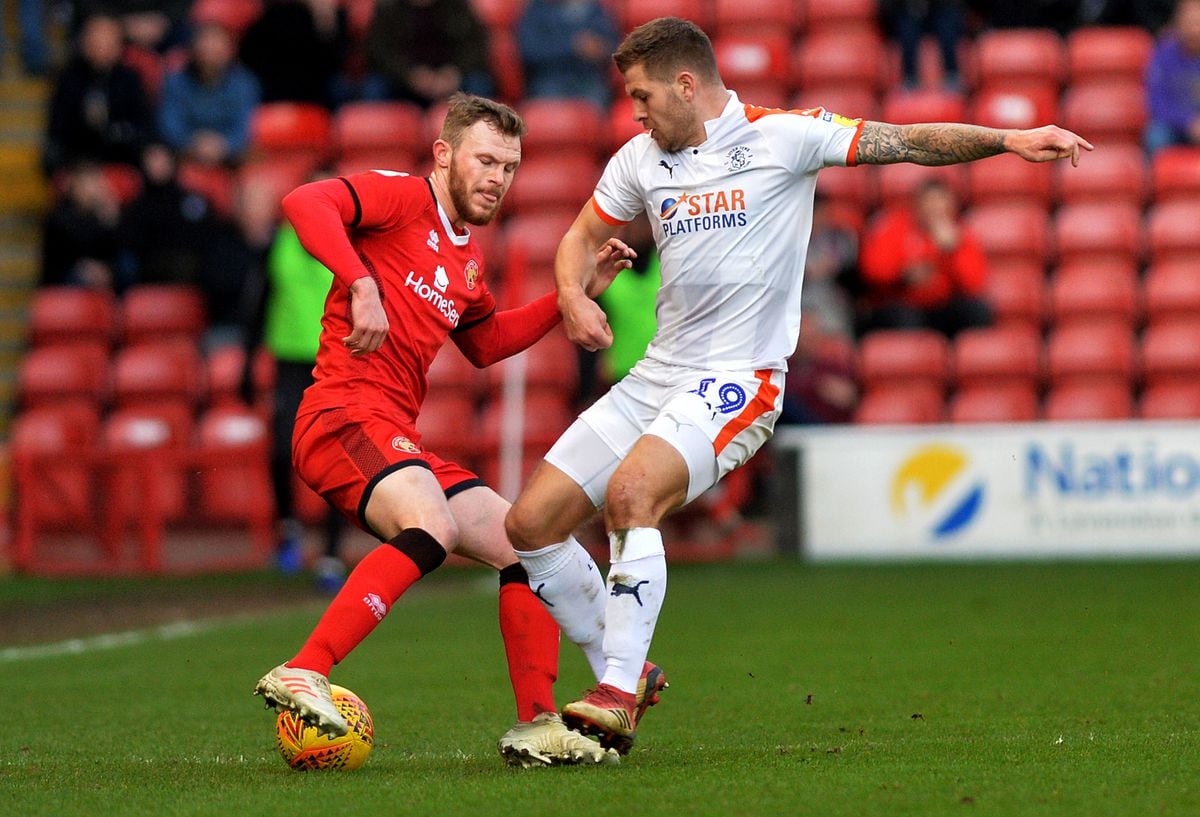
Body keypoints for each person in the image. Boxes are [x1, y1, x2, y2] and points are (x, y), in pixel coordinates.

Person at [503, 16, 1092, 755]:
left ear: (688, 84)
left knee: (630, 495)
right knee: (528, 526)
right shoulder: (640, 158)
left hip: (737, 380)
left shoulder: (785, 137)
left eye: (643, 95)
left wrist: (1007, 139)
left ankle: (615, 694)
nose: (636, 111)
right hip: (656, 375)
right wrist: (571, 295)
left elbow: (905, 139)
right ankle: (627, 668)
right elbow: (578, 238)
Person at [252, 93, 661, 768]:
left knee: (526, 540)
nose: (498, 177)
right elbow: (305, 202)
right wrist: (359, 281)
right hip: (341, 414)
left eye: (510, 165)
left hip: (391, 429)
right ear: (444, 155)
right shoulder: (401, 198)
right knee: (433, 527)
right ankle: (305, 667)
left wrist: (571, 296)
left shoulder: (466, 258)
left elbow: (486, 341)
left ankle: (536, 722)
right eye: (486, 159)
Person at [239, 178, 348, 588]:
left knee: (339, 456)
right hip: (288, 362)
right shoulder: (278, 244)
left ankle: (332, 553)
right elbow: (259, 303)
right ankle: (289, 528)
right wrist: (247, 364)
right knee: (283, 451)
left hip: (335, 362)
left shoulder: (346, 243)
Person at [857, 178, 992, 337]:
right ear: (917, 205)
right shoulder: (895, 227)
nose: (934, 208)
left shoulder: (961, 235)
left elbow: (974, 283)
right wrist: (903, 275)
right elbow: (872, 270)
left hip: (944, 307)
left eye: (940, 202)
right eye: (929, 202)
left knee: (977, 311)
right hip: (904, 305)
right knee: (902, 318)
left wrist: (953, 251)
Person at [43, 12, 153, 175]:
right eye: (94, 39)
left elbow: (141, 129)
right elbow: (57, 131)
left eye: (107, 40)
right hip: (77, 164)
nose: (100, 46)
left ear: (119, 45)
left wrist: (112, 130)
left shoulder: (130, 79)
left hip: (120, 160)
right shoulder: (68, 79)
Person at [158, 22, 261, 166]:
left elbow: (245, 127)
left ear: (231, 50)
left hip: (232, 157)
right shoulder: (176, 81)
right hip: (184, 154)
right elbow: (169, 123)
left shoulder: (244, 83)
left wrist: (223, 145)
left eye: (217, 46)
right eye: (205, 45)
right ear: (193, 49)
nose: (210, 51)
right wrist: (193, 143)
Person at [358, 0, 493, 108]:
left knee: (479, 83)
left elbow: (475, 45)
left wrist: (455, 72)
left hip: (452, 79)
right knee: (374, 87)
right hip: (402, 80)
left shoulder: (458, 5)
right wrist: (410, 75)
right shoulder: (388, 6)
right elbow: (379, 52)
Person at [516, 0, 620, 110]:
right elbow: (529, 51)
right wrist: (573, 47)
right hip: (550, 79)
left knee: (594, 110)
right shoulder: (536, 10)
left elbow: (613, 48)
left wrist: (600, 50)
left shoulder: (594, 9)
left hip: (588, 80)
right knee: (551, 117)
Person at [1145, 0, 1200, 154]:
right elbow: (1157, 102)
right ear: (1178, 22)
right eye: (1190, 22)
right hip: (1175, 127)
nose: (1194, 29)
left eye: (1198, 23)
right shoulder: (1164, 52)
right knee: (1155, 136)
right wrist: (1188, 122)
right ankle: (1154, 177)